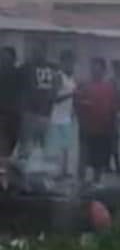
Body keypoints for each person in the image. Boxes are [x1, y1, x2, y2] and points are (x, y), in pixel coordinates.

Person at [75, 58, 118, 188]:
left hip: (103, 131)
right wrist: (81, 121)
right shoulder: (84, 87)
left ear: (104, 71)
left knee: (98, 162)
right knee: (83, 159)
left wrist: (112, 128)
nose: (95, 71)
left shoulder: (109, 88)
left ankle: (96, 185)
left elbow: (113, 109)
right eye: (93, 68)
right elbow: (77, 106)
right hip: (86, 130)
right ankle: (79, 185)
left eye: (98, 68)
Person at [18, 41, 59, 159]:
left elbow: (55, 89)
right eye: (34, 51)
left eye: (37, 51)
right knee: (28, 147)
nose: (35, 53)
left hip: (42, 113)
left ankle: (38, 171)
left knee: (42, 147)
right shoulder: (26, 67)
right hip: (31, 113)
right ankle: (27, 170)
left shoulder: (51, 69)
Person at [46, 50, 76, 179]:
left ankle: (64, 171)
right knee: (56, 146)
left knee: (65, 146)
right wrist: (71, 94)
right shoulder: (58, 76)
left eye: (72, 62)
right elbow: (54, 98)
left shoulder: (71, 78)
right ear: (62, 62)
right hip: (56, 116)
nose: (70, 65)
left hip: (67, 115)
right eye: (67, 62)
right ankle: (54, 172)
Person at [0, 47, 21, 160]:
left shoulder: (19, 73)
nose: (3, 61)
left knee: (10, 146)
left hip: (14, 116)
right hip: (3, 115)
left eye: (6, 58)